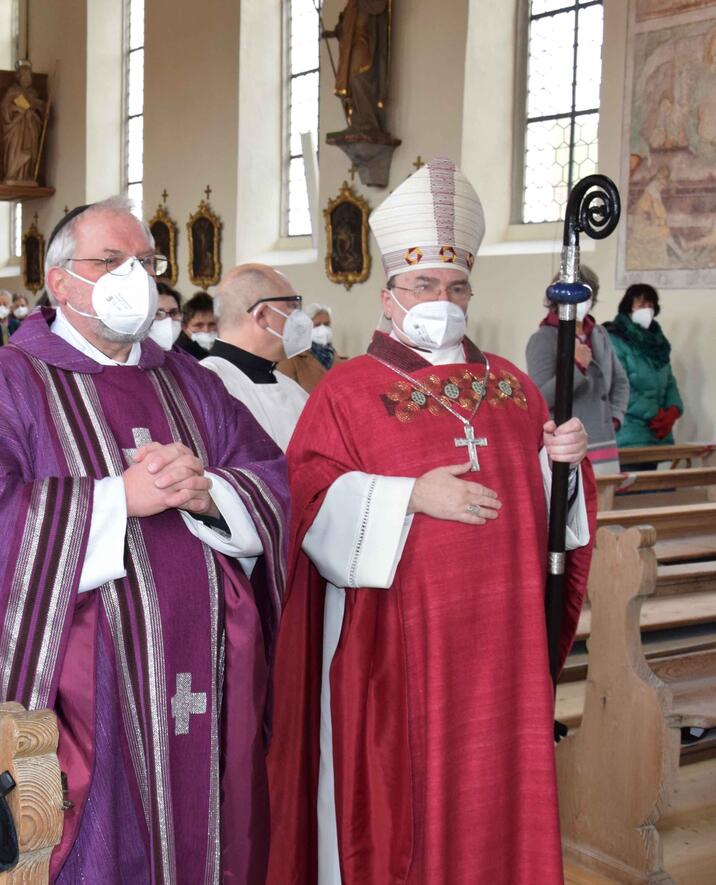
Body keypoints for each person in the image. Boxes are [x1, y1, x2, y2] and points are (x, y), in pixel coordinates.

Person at [0, 196, 288, 884]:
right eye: (111, 261)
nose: (137, 277)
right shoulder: (0, 384)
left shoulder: (190, 381)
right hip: (88, 698)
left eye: (146, 263)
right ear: (61, 281)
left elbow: (270, 477)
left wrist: (214, 493)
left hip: (202, 669)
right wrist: (118, 499)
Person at [266, 158, 595, 885]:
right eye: (422, 285)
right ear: (388, 297)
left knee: (500, 805)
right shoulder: (347, 391)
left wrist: (561, 468)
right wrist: (407, 497)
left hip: (502, 652)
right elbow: (310, 501)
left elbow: (556, 530)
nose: (440, 299)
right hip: (399, 652)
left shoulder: (512, 385)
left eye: (454, 286)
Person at [526, 265, 629, 476]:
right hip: (568, 444)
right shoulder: (544, 339)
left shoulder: (599, 333)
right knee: (577, 505)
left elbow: (620, 382)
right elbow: (541, 398)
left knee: (606, 504)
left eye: (586, 294)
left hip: (604, 440)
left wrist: (614, 417)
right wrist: (577, 368)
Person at [199, 265, 310, 451]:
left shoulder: (294, 391)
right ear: (262, 315)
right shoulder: (204, 386)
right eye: (293, 307)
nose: (300, 317)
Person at [606, 283, 684, 453]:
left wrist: (672, 411)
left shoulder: (659, 344)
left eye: (650, 305)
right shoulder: (614, 339)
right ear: (628, 307)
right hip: (628, 432)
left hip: (656, 432)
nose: (647, 310)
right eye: (641, 305)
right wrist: (655, 413)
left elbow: (669, 381)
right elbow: (618, 387)